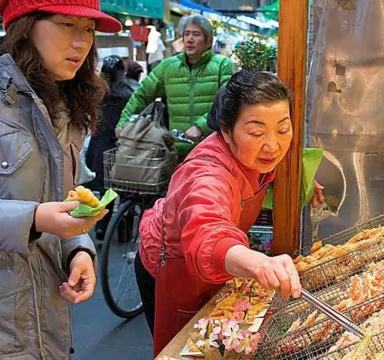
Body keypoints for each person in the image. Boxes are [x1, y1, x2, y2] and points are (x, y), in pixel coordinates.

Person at [0, 0, 120, 358]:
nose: (81, 43)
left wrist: (78, 249)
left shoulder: (63, 102)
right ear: (25, 24)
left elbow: (59, 198)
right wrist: (32, 219)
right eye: (67, 25)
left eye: (89, 30)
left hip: (43, 317)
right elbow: (39, 212)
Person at [134, 71, 325, 356]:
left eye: (283, 130)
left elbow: (272, 168)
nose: (272, 146)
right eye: (257, 133)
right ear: (225, 130)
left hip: (216, 263)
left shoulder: (253, 154)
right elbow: (207, 231)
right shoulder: (207, 172)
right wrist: (258, 263)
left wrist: (304, 182)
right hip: (172, 264)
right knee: (187, 348)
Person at [116, 14, 234, 158]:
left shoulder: (222, 64)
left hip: (212, 149)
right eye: (186, 34)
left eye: (196, 34)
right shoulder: (168, 66)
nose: (190, 39)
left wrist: (201, 126)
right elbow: (142, 95)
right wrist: (124, 121)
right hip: (177, 150)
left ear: (209, 41)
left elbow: (227, 101)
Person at [86, 55, 133, 239]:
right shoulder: (127, 92)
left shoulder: (97, 91)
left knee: (106, 190)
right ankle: (123, 232)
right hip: (122, 146)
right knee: (126, 191)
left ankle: (102, 227)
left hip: (100, 146)